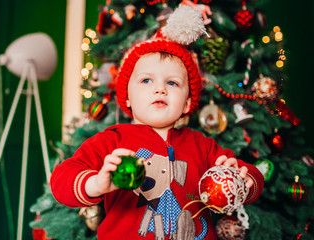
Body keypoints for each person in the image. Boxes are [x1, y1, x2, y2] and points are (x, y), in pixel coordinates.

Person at [51, 4, 264, 240]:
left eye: (172, 83)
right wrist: (95, 184)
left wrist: (244, 180)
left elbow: (254, 178)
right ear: (127, 97)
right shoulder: (111, 141)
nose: (160, 89)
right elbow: (61, 180)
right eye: (146, 81)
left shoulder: (203, 146)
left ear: (186, 104)